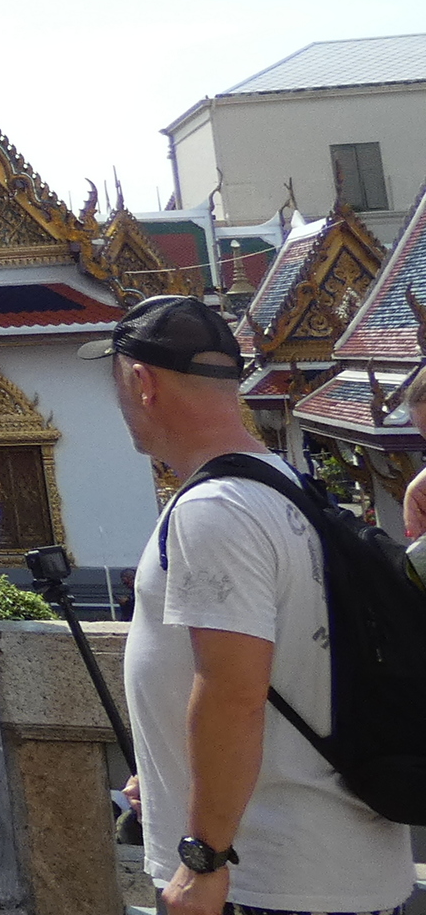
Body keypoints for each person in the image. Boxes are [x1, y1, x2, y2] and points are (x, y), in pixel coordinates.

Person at [87, 294, 413, 915]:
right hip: (321, 863)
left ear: (142, 382)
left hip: (270, 877)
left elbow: (232, 693)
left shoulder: (215, 510)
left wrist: (203, 860)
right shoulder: (282, 483)